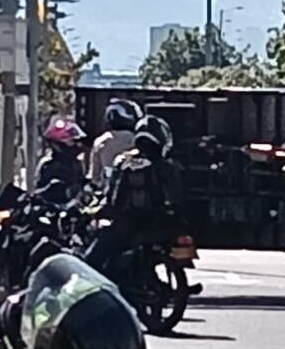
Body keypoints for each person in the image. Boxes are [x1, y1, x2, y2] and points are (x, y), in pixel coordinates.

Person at [85, 121, 183, 280]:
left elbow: (111, 195)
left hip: (126, 223)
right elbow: (177, 196)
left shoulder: (122, 161)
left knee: (92, 260)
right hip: (160, 222)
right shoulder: (168, 166)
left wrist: (101, 210)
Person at [88, 98, 141, 196]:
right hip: (135, 195)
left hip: (108, 196)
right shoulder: (139, 140)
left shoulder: (100, 141)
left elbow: (94, 178)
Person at [34, 115, 89, 207]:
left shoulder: (78, 163)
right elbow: (40, 192)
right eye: (71, 142)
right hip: (50, 212)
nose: (76, 145)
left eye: (75, 142)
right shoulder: (47, 164)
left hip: (74, 211)